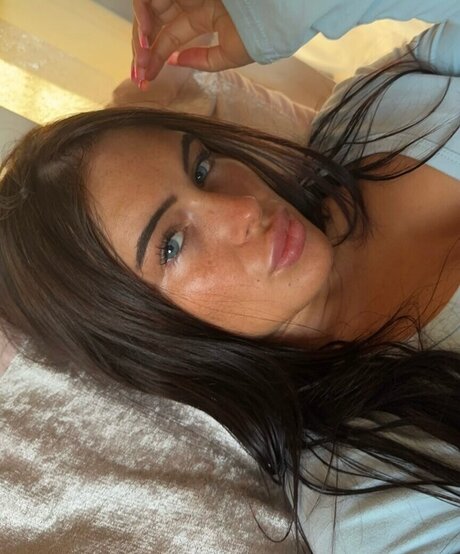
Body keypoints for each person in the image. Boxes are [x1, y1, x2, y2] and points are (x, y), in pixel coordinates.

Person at [0, 1, 459, 553]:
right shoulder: (369, 486)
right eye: (172, 244)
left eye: (201, 167)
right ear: (147, 332)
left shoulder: (367, 113)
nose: (242, 209)